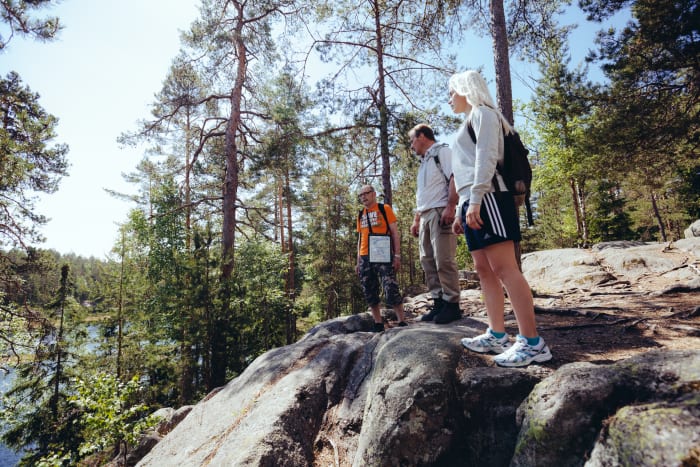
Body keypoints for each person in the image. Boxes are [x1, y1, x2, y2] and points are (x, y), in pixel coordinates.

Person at [447, 70, 552, 367]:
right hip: (474, 199)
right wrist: (460, 208)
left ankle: (532, 343)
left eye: (452, 92)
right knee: (483, 269)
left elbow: (486, 157)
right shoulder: (469, 120)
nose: (449, 98)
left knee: (505, 268)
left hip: (491, 196)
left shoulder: (484, 114)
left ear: (466, 89)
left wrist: (477, 198)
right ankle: (496, 333)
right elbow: (465, 170)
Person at [408, 124, 462, 324]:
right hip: (425, 216)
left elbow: (454, 177)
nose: (411, 146)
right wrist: (416, 219)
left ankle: (452, 304)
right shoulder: (424, 162)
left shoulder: (443, 152)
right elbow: (422, 194)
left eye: (412, 140)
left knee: (443, 259)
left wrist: (451, 206)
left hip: (441, 212)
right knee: (427, 260)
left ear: (422, 136)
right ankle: (438, 302)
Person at [356, 185, 408, 331]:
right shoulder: (361, 215)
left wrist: (397, 255)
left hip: (383, 254)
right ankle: (378, 323)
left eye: (365, 194)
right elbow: (360, 239)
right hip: (365, 257)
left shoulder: (384, 209)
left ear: (373, 194)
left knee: (390, 287)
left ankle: (402, 321)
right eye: (360, 195)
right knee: (369, 290)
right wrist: (358, 260)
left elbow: (395, 233)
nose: (363, 197)